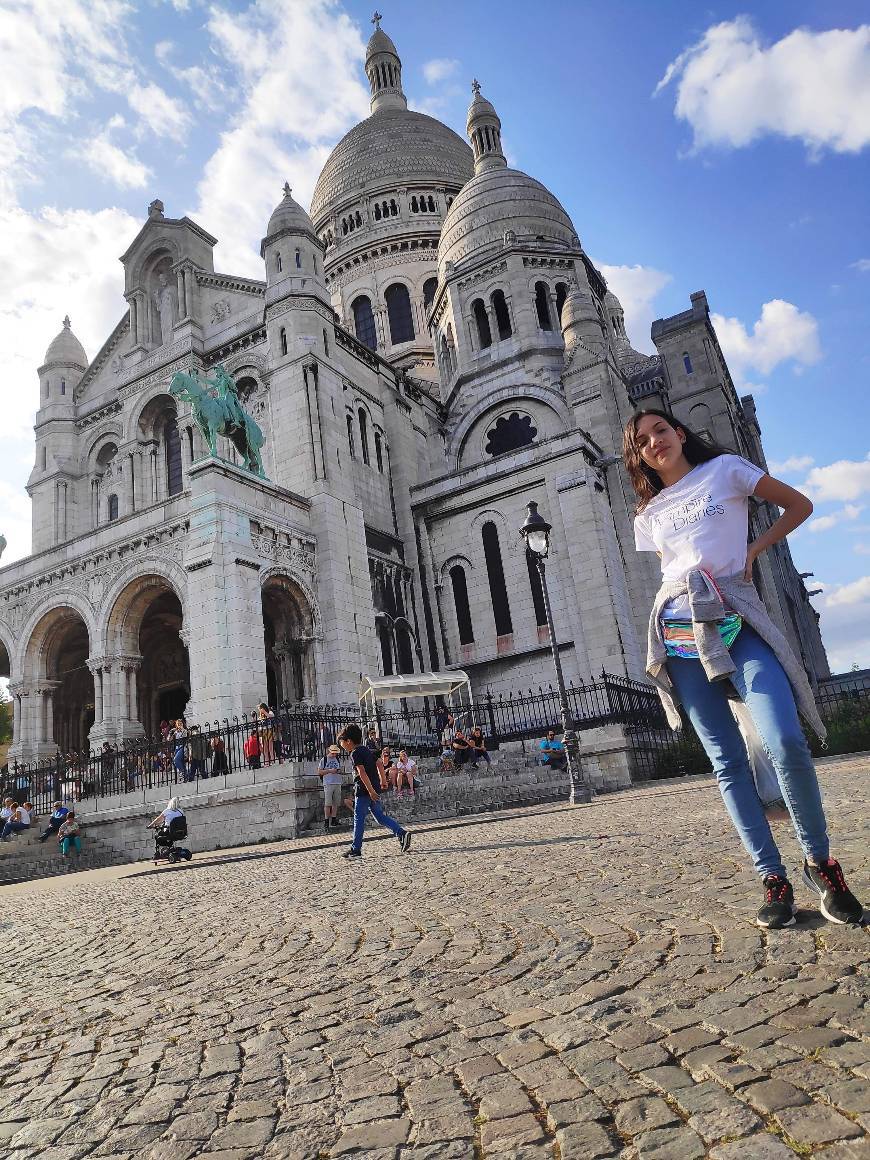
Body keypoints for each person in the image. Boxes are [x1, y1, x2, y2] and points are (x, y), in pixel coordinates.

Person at [624, 407, 864, 928]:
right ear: (639, 455)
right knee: (726, 762)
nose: (654, 442)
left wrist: (754, 549)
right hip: (678, 627)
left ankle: (821, 865)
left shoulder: (727, 469)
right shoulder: (648, 514)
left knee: (784, 740)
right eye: (642, 441)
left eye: (660, 430)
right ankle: (771, 877)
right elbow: (672, 570)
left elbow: (799, 505)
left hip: (734, 612)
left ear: (680, 433)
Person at [336, 723, 412, 860]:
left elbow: (362, 772)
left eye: (341, 742)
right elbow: (378, 763)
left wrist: (370, 790)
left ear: (348, 741)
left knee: (358, 818)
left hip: (364, 790)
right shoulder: (365, 750)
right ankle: (401, 833)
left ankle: (356, 849)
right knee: (379, 816)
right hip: (373, 788)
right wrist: (382, 780)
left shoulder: (354, 753)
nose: (341, 745)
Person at [318, 744, 344, 832]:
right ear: (330, 751)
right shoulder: (324, 760)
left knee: (335, 802)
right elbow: (319, 772)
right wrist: (329, 771)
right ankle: (326, 821)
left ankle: (333, 819)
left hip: (337, 782)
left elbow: (340, 769)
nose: (334, 755)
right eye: (333, 753)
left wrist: (338, 771)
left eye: (335, 753)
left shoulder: (337, 759)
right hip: (328, 783)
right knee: (328, 803)